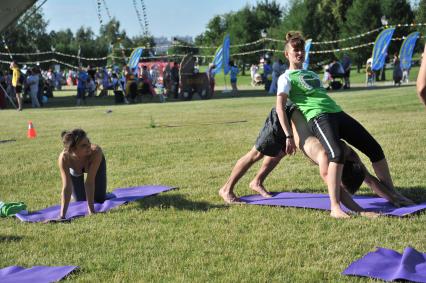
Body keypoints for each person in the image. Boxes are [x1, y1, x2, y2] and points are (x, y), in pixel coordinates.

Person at [279, 31, 400, 218]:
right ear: (287, 54)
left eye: (301, 49)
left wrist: (392, 196)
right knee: (336, 153)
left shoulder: (312, 74)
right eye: (295, 50)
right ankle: (335, 207)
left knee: (374, 148)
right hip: (318, 117)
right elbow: (280, 107)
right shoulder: (285, 77)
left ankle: (393, 194)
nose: (300, 53)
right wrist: (288, 135)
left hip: (337, 112)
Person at [219, 106, 295, 203]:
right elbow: (281, 100)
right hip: (283, 115)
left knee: (279, 153)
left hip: (298, 117)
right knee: (256, 154)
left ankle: (257, 182)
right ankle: (226, 189)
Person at [58, 129, 107, 219]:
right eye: (83, 145)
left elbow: (89, 182)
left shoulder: (96, 152)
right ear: (73, 149)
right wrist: (62, 216)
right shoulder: (64, 158)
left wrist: (91, 211)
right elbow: (66, 187)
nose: (89, 145)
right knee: (80, 201)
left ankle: (104, 194)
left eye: (88, 142)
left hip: (96, 166)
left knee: (99, 200)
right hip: (76, 170)